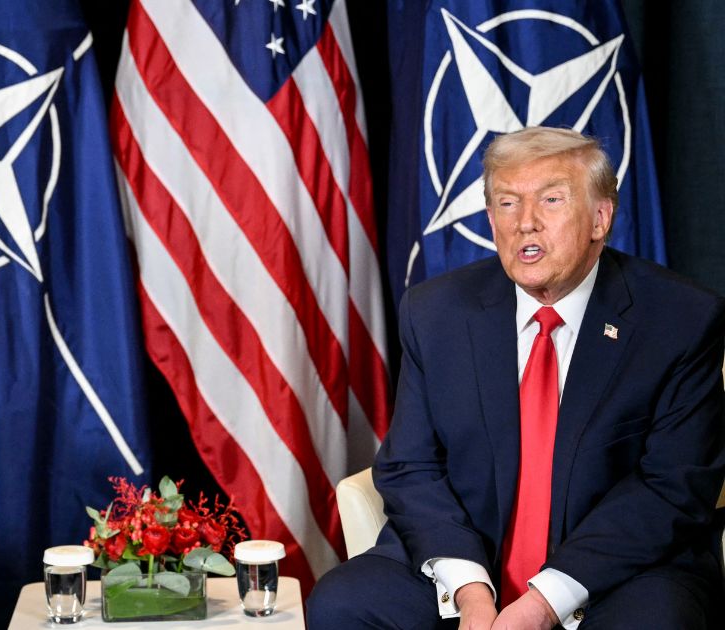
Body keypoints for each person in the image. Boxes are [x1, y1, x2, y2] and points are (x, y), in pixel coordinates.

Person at [308, 126, 725, 629]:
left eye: (550, 200)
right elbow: (410, 466)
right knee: (343, 601)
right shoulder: (436, 311)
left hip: (616, 573)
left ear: (599, 217)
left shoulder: (679, 319)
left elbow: (672, 487)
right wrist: (471, 592)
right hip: (469, 558)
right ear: (490, 219)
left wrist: (543, 601)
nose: (526, 223)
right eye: (507, 203)